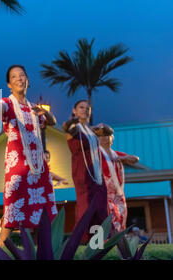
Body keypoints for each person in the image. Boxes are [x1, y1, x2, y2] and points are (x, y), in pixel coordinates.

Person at [0, 65, 58, 247]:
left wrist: (47, 112)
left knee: (40, 211)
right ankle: (1, 249)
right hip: (17, 164)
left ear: (28, 80)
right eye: (14, 77)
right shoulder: (8, 103)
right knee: (13, 208)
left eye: (22, 76)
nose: (19, 79)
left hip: (38, 165)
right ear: (9, 84)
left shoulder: (34, 108)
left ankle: (38, 252)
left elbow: (52, 121)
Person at [62, 100, 108, 242]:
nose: (85, 110)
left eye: (88, 108)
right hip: (82, 173)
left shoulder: (91, 131)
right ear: (74, 110)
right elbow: (66, 127)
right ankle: (81, 240)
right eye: (81, 107)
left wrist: (100, 127)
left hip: (96, 174)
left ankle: (99, 241)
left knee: (101, 207)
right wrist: (74, 121)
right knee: (86, 207)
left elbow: (109, 131)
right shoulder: (74, 129)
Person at [93, 123, 139, 232]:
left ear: (112, 138)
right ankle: (108, 241)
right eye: (101, 136)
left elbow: (135, 159)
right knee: (111, 218)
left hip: (119, 193)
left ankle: (119, 242)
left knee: (122, 218)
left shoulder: (116, 154)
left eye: (107, 136)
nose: (105, 138)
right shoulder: (95, 154)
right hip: (104, 193)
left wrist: (125, 157)